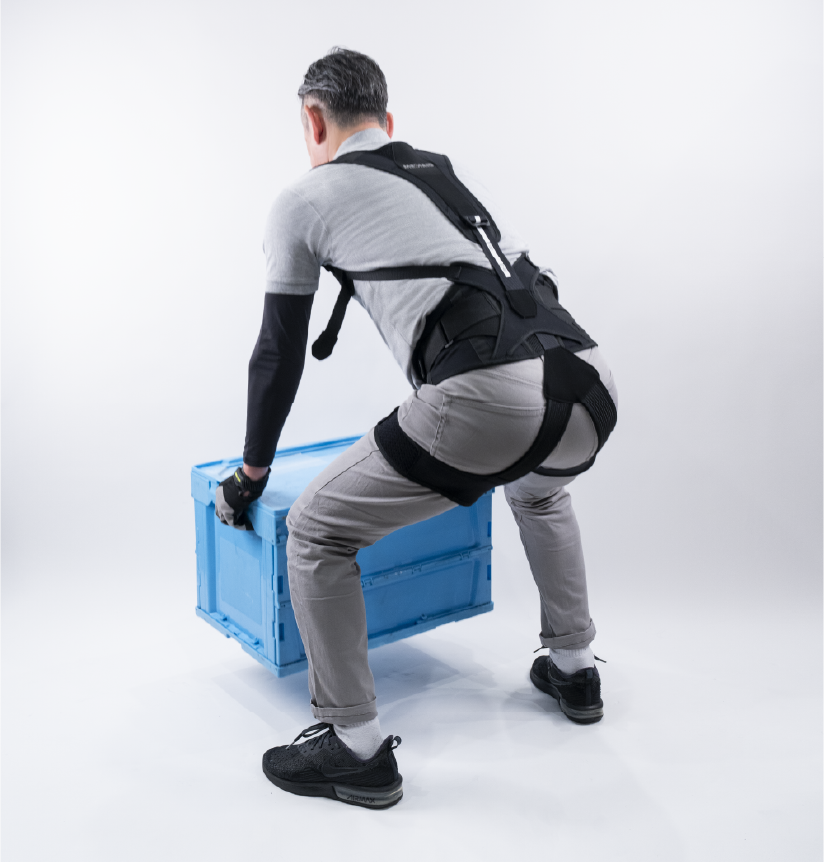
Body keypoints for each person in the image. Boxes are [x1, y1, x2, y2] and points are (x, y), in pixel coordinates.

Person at [215, 48, 618, 810]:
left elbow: (277, 354)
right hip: (589, 386)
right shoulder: (439, 175)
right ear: (388, 120)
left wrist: (251, 474)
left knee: (314, 531)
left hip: (491, 398)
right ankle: (574, 667)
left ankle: (355, 745)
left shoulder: (304, 197)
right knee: (539, 492)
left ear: (313, 120)